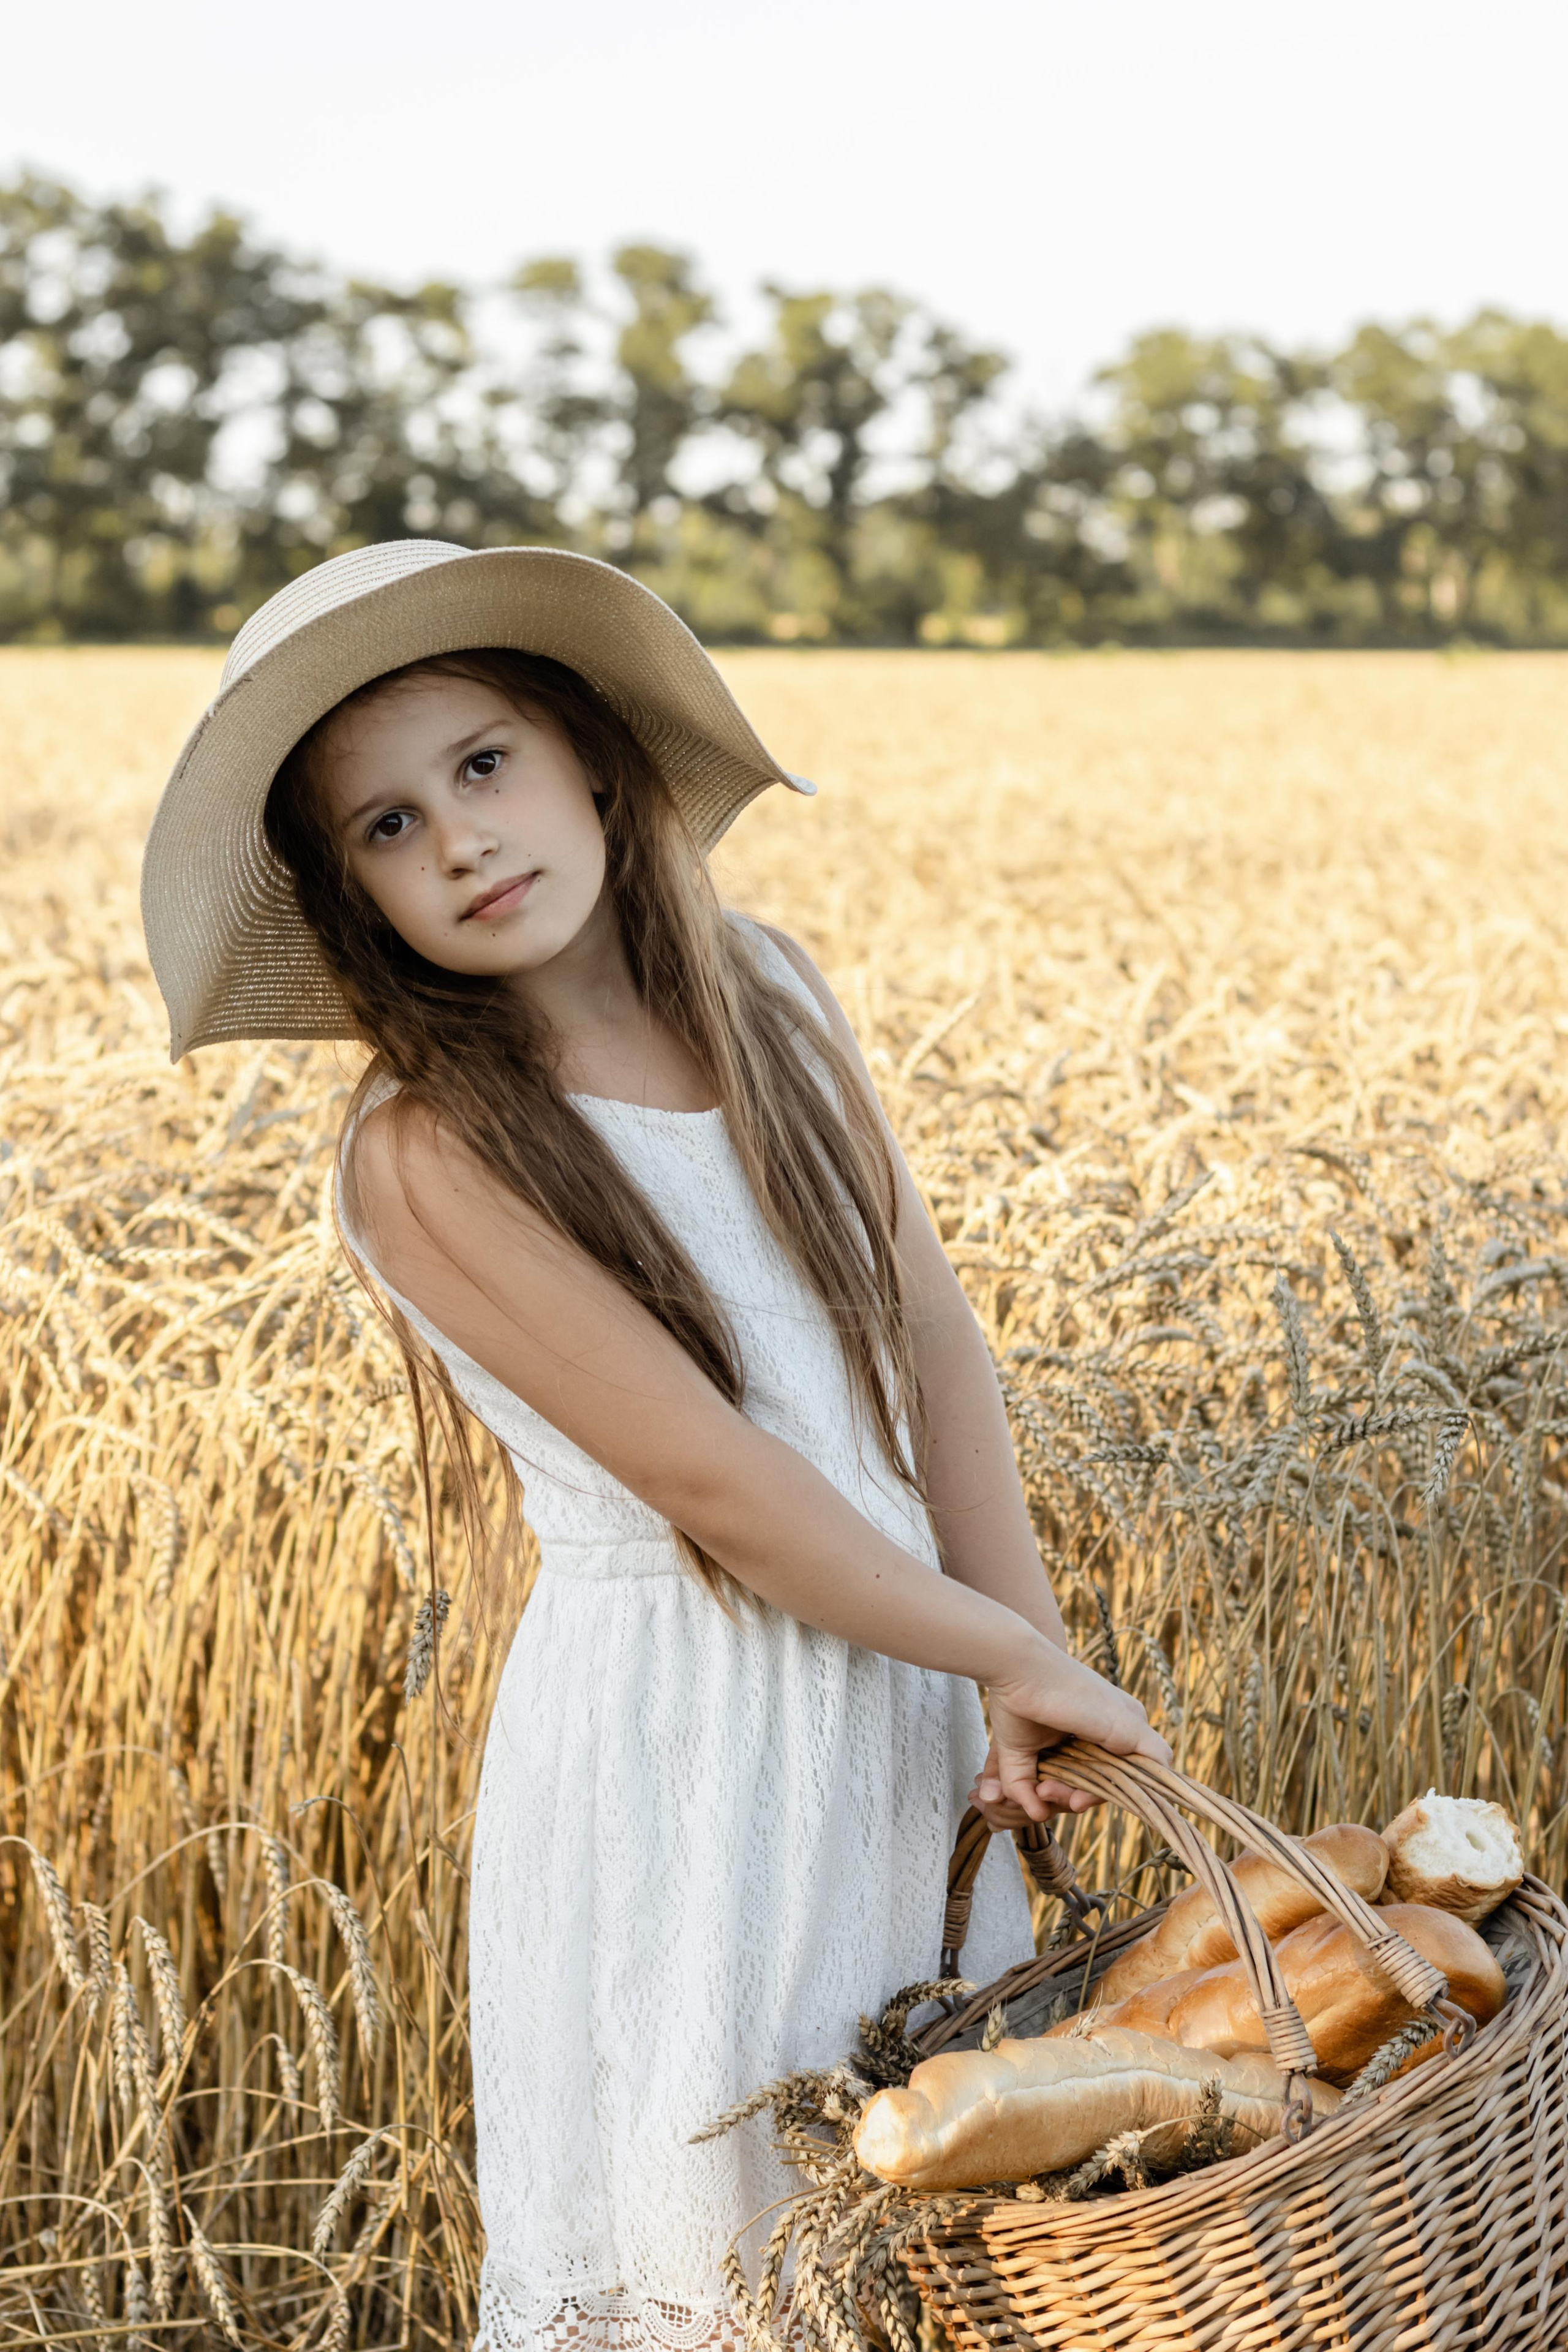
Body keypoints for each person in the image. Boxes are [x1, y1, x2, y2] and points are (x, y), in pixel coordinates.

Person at [141, 540, 1170, 2352]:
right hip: (689, 1742)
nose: (455, 841)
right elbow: (712, 1481)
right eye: (384, 828)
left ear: (592, 760)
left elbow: (926, 1340)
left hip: (904, 1683)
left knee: (943, 2226)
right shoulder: (427, 1154)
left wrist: (1031, 1664)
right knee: (730, 2243)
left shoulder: (768, 993)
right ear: (349, 899)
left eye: (481, 765)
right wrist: (994, 1644)